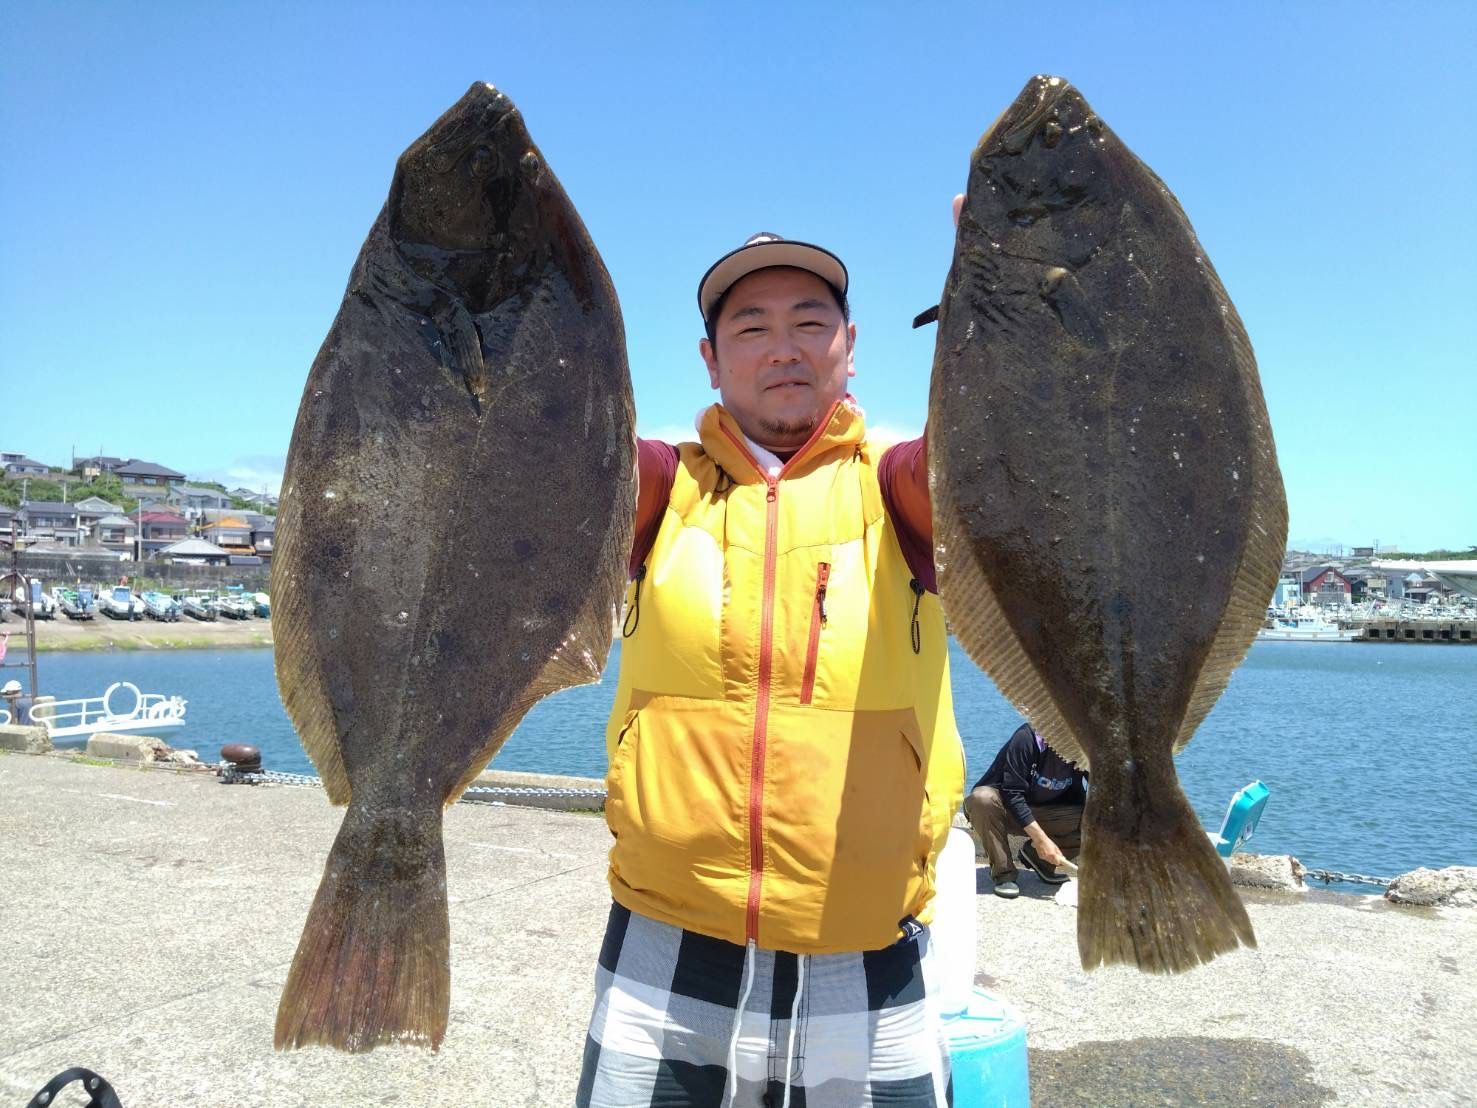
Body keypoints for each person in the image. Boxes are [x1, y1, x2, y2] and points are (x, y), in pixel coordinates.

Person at [576, 232, 965, 1108]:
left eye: (809, 322)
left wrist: (1001, 310)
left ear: (850, 347)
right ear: (711, 362)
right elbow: (550, 450)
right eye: (750, 327)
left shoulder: (898, 484)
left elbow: (991, 462)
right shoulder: (659, 485)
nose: (783, 347)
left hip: (865, 949)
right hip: (663, 941)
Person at [963, 722, 1087, 899]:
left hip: (1049, 813)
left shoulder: (1083, 749)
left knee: (1102, 819)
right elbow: (1012, 793)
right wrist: (1041, 839)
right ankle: (1004, 873)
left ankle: (1038, 860)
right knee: (981, 799)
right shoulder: (1027, 738)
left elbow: (1103, 792)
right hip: (1006, 810)